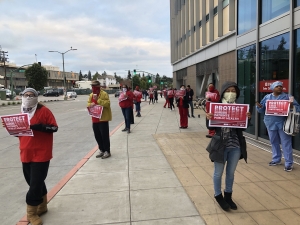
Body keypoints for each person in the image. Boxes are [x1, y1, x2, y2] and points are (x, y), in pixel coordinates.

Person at [1, 88, 58, 225]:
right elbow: (21, 133)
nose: (28, 97)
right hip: (26, 153)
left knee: (34, 185)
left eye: (31, 95)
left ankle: (31, 213)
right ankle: (42, 206)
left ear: (36, 97)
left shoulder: (44, 111)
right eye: (26, 95)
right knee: (35, 182)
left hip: (41, 153)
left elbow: (54, 128)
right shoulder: (22, 112)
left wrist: (39, 127)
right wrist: (11, 128)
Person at [206, 81, 251, 211]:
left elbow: (244, 127)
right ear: (223, 92)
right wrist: (209, 117)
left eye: (233, 91)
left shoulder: (241, 108)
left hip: (235, 146)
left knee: (230, 173)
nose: (231, 93)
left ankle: (228, 196)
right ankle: (218, 195)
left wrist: (248, 118)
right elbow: (210, 127)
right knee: (218, 173)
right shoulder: (216, 107)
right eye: (228, 90)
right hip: (220, 145)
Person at [256, 81, 300, 172]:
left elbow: (297, 108)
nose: (280, 88)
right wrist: (259, 107)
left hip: (283, 123)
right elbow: (261, 110)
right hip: (270, 122)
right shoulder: (267, 97)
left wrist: (291, 106)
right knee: (273, 141)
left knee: (286, 143)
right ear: (272, 88)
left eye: (281, 86)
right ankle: (276, 159)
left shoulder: (288, 97)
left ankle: (289, 163)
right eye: (277, 86)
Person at [87, 80, 112, 159]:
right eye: (92, 86)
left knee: (104, 136)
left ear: (98, 86)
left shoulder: (104, 94)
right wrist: (90, 104)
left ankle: (107, 151)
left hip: (103, 119)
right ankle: (101, 149)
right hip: (95, 118)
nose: (93, 88)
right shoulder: (91, 95)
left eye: (94, 86)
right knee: (97, 136)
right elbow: (88, 104)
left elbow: (107, 104)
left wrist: (98, 100)